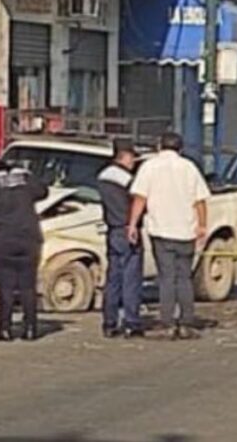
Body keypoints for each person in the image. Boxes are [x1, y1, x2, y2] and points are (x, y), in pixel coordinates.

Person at [127, 132, 210, 340]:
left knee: (166, 279)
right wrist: (202, 225)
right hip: (185, 231)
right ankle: (186, 322)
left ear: (159, 146)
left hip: (161, 231)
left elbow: (140, 198)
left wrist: (132, 224)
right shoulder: (189, 168)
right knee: (184, 278)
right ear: (180, 148)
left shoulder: (149, 167)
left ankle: (167, 322)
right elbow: (200, 200)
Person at [0, 159, 48, 342]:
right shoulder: (25, 181)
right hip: (29, 238)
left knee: (5, 286)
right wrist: (26, 175)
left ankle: (4, 329)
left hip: (2, 239)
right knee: (28, 286)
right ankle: (30, 328)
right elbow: (43, 191)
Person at [96, 139, 144, 339]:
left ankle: (109, 322)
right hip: (128, 230)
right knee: (130, 278)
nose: (134, 161)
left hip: (112, 230)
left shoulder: (102, 176)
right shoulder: (127, 179)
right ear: (124, 156)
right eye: (133, 156)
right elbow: (139, 202)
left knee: (113, 278)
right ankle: (131, 322)